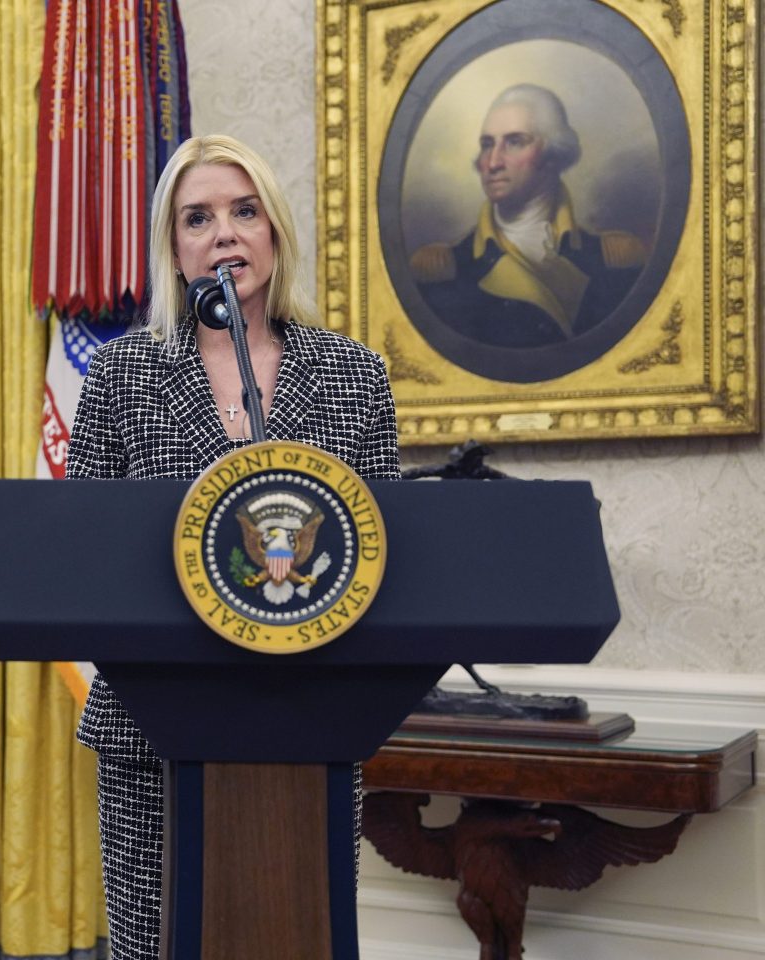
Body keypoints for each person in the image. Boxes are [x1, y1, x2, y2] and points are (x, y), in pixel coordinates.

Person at [65, 134, 399, 960]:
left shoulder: (355, 374)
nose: (224, 234)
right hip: (157, 731)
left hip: (313, 723)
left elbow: (391, 549)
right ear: (173, 251)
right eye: (197, 218)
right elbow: (78, 554)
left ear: (274, 233)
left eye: (245, 212)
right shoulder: (123, 376)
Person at [410, 83, 647, 348]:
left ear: (553, 155)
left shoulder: (614, 259)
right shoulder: (443, 270)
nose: (492, 162)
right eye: (487, 144)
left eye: (514, 142)